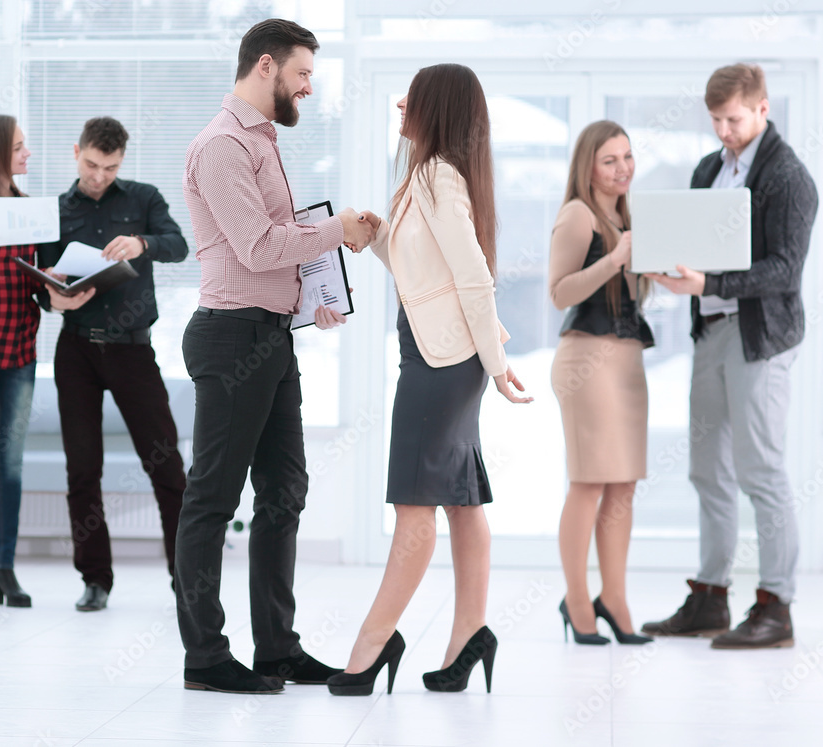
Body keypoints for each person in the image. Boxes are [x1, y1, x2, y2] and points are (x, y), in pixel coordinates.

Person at [176, 18, 373, 694]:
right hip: (232, 335)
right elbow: (259, 247)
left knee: (285, 491)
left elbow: (274, 245)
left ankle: (277, 648)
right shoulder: (223, 146)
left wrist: (310, 294)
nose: (309, 88)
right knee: (212, 498)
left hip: (268, 333)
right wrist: (335, 234)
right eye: (302, 74)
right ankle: (204, 655)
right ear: (266, 66)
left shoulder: (260, 141)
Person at [326, 63, 531, 698]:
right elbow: (424, 269)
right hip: (439, 351)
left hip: (443, 363)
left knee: (415, 504)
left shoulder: (440, 177)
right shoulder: (424, 175)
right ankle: (470, 634)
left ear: (433, 106)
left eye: (409, 97)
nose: (397, 104)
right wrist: (376, 237)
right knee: (461, 498)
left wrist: (495, 368)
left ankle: (372, 642)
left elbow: (473, 278)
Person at [643, 63, 818, 649]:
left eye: (734, 119)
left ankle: (776, 605)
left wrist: (710, 283)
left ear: (763, 109)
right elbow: (698, 245)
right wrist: (675, 271)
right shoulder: (707, 169)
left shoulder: (789, 177)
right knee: (705, 470)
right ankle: (711, 598)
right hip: (711, 332)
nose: (724, 131)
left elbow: (784, 271)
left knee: (760, 471)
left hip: (759, 339)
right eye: (716, 119)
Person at [38, 117, 189, 612]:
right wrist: (53, 299)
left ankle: (185, 576)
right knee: (83, 470)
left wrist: (143, 243)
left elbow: (179, 245)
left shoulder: (143, 199)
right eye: (91, 164)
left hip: (132, 349)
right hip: (76, 350)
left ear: (122, 161)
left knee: (167, 465)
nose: (99, 175)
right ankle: (95, 579)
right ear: (75, 151)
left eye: (110, 167)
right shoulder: (55, 210)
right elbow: (42, 280)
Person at [0, 113, 91, 612]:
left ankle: (3, 569)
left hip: (20, 353)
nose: (28, 155)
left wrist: (56, 293)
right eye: (20, 148)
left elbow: (36, 286)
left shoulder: (29, 211)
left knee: (9, 466)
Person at [547, 121, 654, 646]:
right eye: (610, 159)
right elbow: (560, 293)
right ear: (587, 165)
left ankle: (614, 597)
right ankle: (578, 600)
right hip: (587, 362)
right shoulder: (578, 215)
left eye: (628, 156)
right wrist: (615, 259)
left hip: (628, 362)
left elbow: (633, 297)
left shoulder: (628, 216)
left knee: (623, 484)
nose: (623, 168)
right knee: (588, 483)